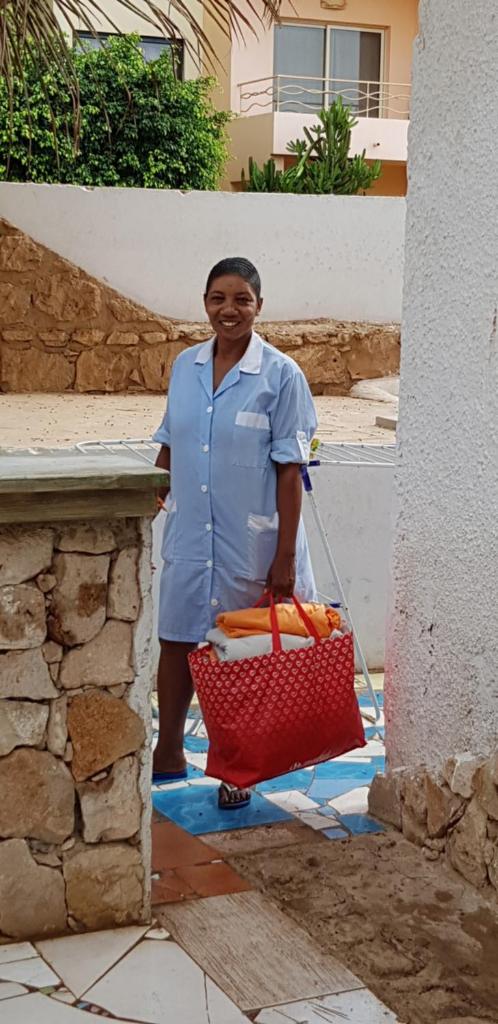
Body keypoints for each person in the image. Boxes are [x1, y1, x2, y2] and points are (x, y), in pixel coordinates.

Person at [152, 257, 317, 808]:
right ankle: (168, 752)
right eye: (218, 298)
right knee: (177, 638)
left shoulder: (282, 375)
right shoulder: (186, 366)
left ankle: (238, 770)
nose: (230, 310)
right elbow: (170, 443)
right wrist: (147, 501)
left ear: (258, 306)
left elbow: (290, 470)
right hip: (189, 533)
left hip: (253, 542)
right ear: (205, 304)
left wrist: (284, 557)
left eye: (242, 299)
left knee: (241, 653)